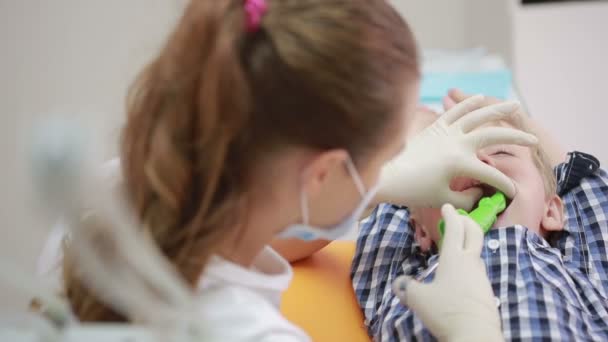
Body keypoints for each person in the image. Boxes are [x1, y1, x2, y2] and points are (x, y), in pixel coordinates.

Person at [46, 1, 538, 340]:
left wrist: (376, 185)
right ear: (321, 174)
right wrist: (474, 331)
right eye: (392, 151)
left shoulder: (116, 193)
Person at [352, 90, 608, 341]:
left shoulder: (581, 266)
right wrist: (414, 141)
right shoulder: (404, 277)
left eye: (501, 152)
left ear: (551, 211)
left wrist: (516, 116)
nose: (479, 162)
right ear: (420, 231)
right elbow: (380, 194)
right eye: (454, 163)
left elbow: (581, 183)